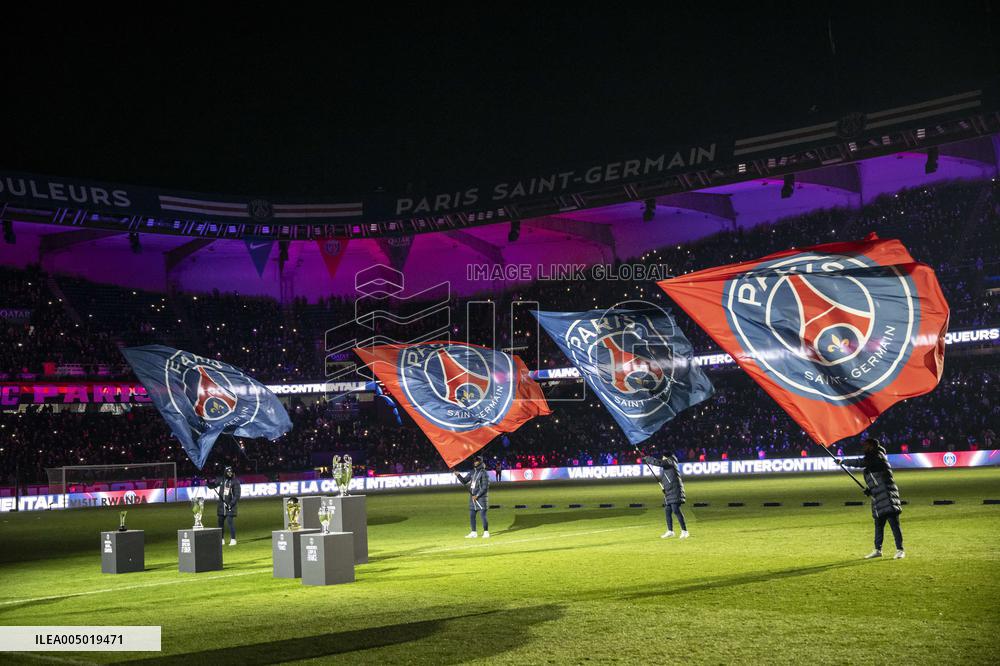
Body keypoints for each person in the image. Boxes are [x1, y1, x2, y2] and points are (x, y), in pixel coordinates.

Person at [838, 439, 905, 559]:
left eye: (866, 446)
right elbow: (876, 480)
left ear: (872, 447)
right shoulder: (871, 462)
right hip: (878, 498)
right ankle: (877, 550)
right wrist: (869, 490)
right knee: (878, 525)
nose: (864, 448)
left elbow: (861, 462)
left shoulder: (878, 457)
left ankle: (900, 550)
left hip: (888, 496)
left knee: (894, 524)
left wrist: (843, 461)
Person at [644, 452, 688, 539]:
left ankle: (685, 531)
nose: (662, 458)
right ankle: (670, 531)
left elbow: (659, 463)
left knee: (676, 510)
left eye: (663, 457)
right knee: (667, 510)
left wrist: (648, 459)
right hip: (669, 491)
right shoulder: (668, 464)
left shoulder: (670, 461)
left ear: (666, 457)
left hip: (675, 490)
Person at [454, 455, 490, 539]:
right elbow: (464, 481)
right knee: (472, 515)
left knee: (482, 515)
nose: (475, 462)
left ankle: (486, 532)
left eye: (477, 461)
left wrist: (477, 495)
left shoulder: (484, 473)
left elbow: (485, 487)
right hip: (472, 498)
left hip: (481, 498)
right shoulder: (472, 472)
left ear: (480, 462)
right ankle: (474, 532)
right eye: (474, 461)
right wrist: (458, 475)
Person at [209, 465, 241, 546]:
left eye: (231, 472)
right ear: (225, 472)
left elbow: (237, 495)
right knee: (220, 524)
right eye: (228, 472)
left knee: (230, 523)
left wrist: (231, 504)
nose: (230, 473)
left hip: (230, 506)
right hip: (221, 506)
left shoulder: (235, 482)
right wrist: (208, 482)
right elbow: (212, 486)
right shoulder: (221, 480)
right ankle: (221, 539)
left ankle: (233, 539)